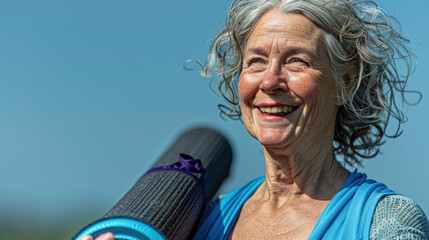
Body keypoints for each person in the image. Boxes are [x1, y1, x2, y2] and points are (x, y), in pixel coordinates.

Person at [80, 0, 429, 239]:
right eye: (257, 61)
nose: (270, 81)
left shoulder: (385, 223)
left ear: (346, 82)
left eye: (297, 61)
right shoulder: (198, 219)